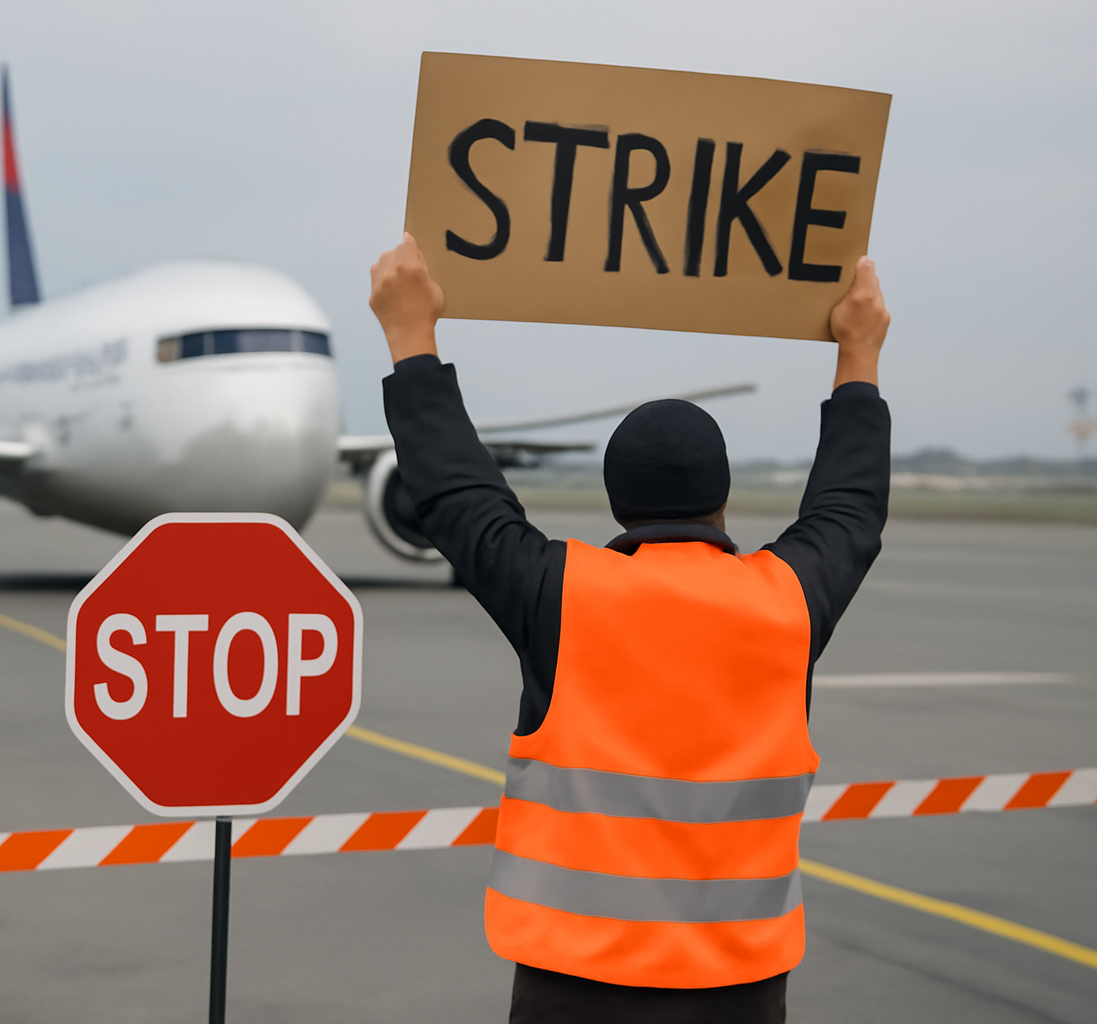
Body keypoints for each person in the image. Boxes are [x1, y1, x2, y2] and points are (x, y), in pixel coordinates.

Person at [368, 233, 891, 1024]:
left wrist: (413, 338)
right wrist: (858, 355)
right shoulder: (785, 601)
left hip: (571, 989)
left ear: (618, 505)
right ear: (722, 502)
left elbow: (456, 498)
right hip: (741, 992)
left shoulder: (563, 593)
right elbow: (851, 508)